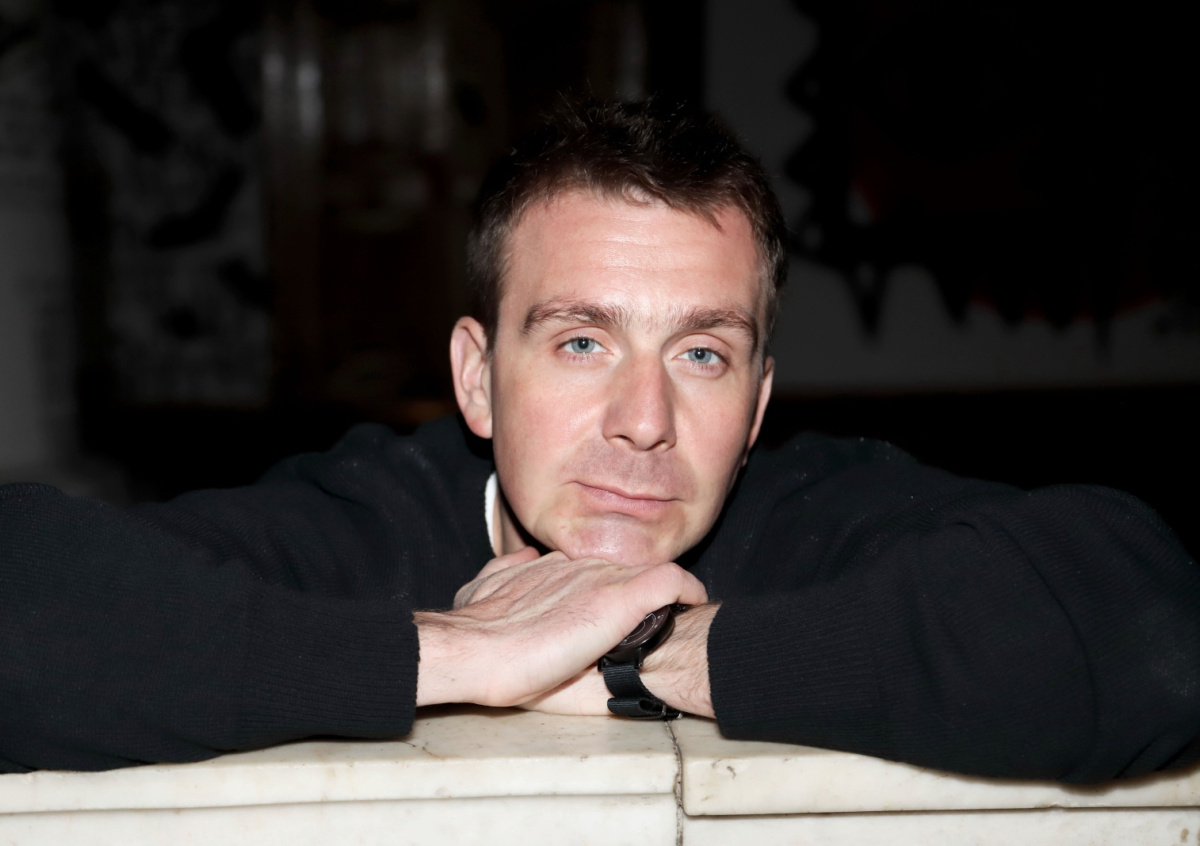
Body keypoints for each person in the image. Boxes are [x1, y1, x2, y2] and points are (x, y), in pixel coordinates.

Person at [1, 100, 1197, 781]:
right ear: (478, 379)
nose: (644, 420)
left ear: (759, 405)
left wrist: (649, 654)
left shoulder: (811, 512)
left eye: (703, 355)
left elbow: (1150, 635)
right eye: (582, 342)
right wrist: (459, 654)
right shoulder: (369, 517)